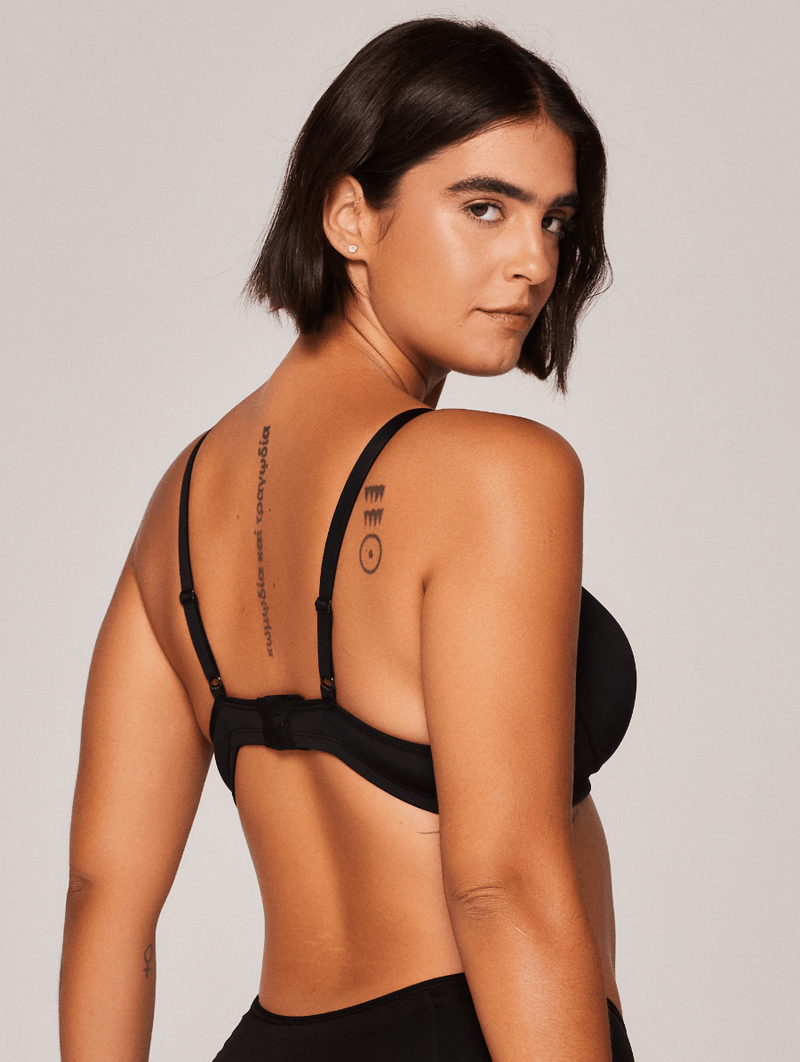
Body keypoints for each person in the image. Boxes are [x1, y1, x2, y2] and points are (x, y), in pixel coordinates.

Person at [59, 17, 637, 1062]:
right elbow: (501, 887)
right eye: (484, 207)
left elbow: (105, 895)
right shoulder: (500, 471)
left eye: (555, 221)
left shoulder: (178, 506)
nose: (533, 260)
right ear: (348, 217)